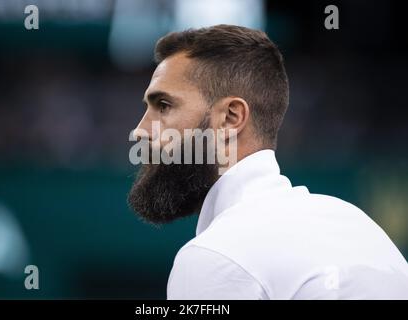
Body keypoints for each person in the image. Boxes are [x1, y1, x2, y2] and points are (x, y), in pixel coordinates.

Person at [128, 24, 408, 299]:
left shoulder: (216, 256)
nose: (140, 130)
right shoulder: (361, 228)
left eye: (164, 106)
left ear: (230, 118)